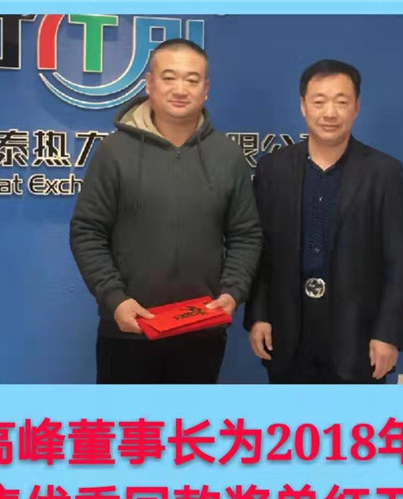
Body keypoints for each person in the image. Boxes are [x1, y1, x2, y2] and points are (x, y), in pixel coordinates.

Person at [70, 39, 261, 384]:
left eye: (192, 79)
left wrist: (232, 292)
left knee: (189, 420)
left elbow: (245, 234)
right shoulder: (114, 152)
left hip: (202, 331)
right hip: (127, 330)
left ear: (206, 89)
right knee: (128, 421)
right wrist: (115, 300)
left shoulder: (227, 155)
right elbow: (87, 231)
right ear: (149, 83)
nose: (180, 89)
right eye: (169, 77)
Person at [246, 59, 403, 384]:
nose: (330, 113)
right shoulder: (273, 169)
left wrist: (388, 334)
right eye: (319, 101)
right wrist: (259, 316)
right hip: (288, 330)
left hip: (358, 335)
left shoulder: (384, 173)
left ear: (356, 107)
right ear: (303, 106)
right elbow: (261, 251)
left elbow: (401, 263)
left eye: (341, 102)